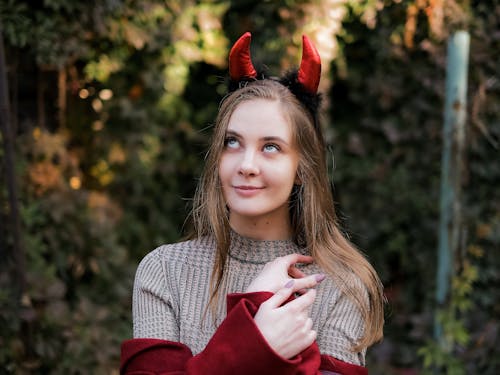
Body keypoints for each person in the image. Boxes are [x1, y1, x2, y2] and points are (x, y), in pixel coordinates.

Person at [120, 32, 385, 375]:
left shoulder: (339, 285)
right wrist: (252, 325)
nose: (246, 164)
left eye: (270, 147)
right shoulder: (164, 271)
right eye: (233, 142)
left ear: (302, 169)